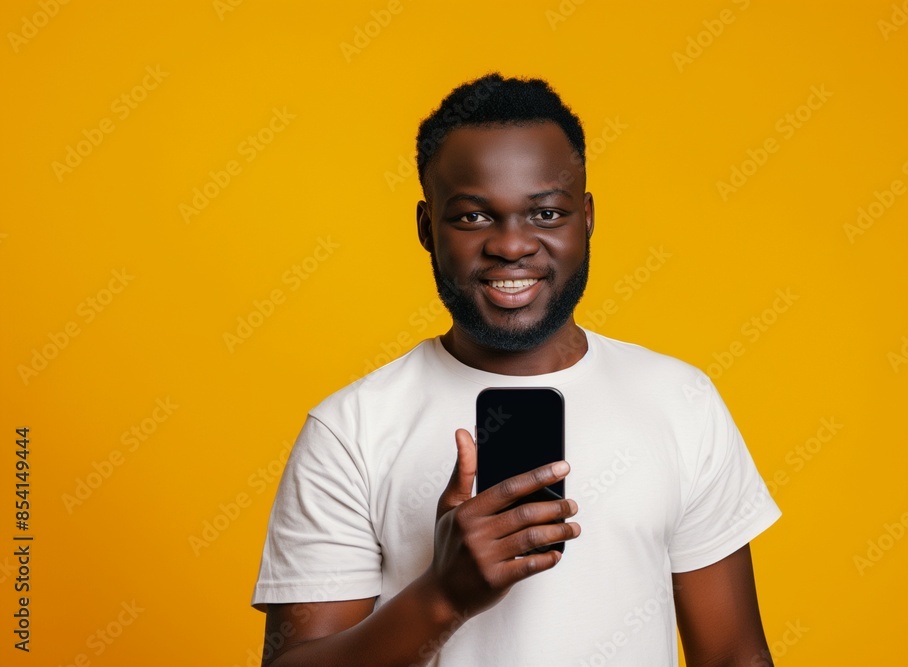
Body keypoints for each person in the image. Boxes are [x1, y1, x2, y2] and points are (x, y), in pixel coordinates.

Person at [251, 73, 781, 666]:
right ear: (426, 227)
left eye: (546, 213)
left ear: (587, 218)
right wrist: (442, 596)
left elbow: (735, 656)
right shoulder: (351, 430)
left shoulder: (680, 400)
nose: (511, 245)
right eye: (474, 217)